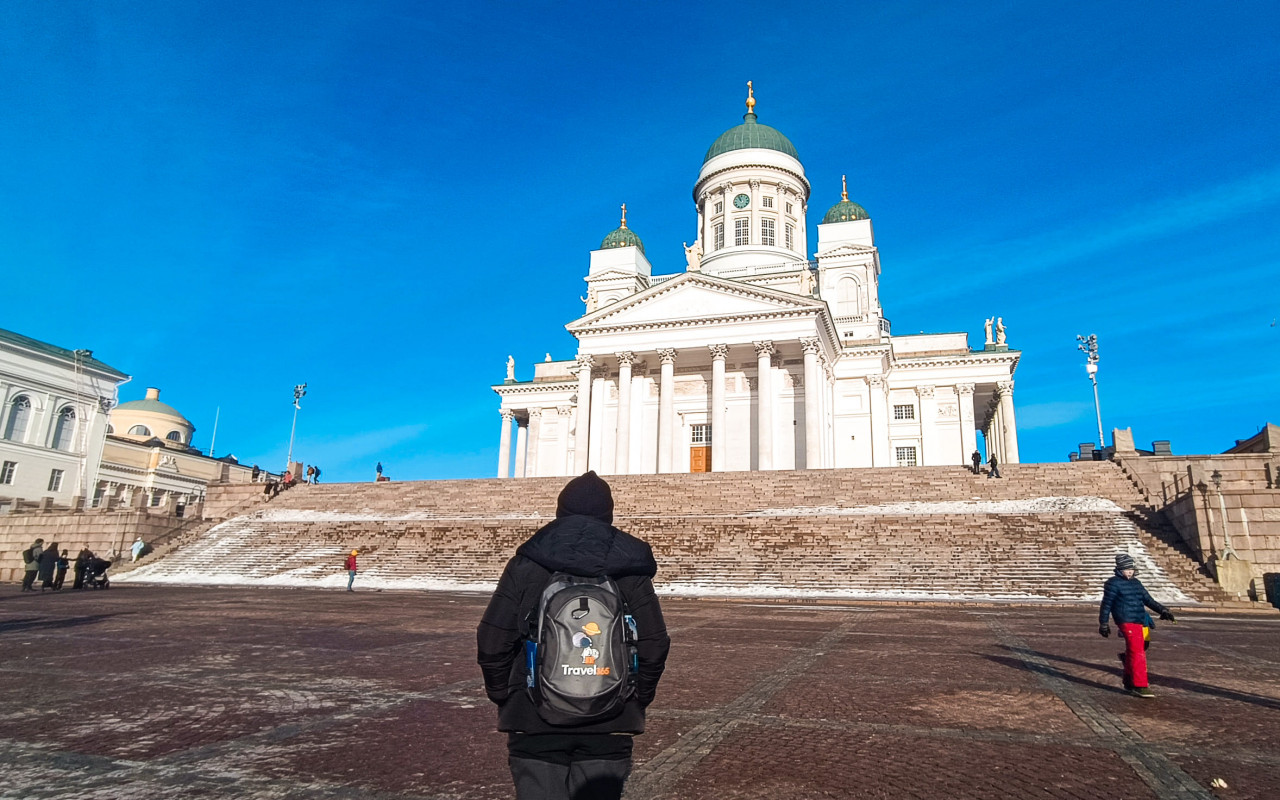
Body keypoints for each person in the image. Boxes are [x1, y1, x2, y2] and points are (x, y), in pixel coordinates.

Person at [478, 471, 670, 800]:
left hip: (534, 717)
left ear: (560, 512)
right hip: (611, 718)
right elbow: (654, 642)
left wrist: (505, 694)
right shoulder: (630, 569)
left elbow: (492, 639)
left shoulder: (527, 565)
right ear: (608, 515)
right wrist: (637, 697)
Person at [1099, 553, 1176, 698]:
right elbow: (1106, 604)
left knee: (1135, 650)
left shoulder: (1136, 583)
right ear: (1119, 569)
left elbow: (1148, 600)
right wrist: (1103, 623)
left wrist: (1163, 610)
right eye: (1126, 569)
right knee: (1138, 651)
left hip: (1138, 619)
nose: (1129, 571)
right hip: (1125, 620)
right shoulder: (1113, 583)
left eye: (1131, 569)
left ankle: (1129, 681)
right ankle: (1140, 685)